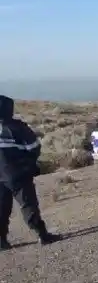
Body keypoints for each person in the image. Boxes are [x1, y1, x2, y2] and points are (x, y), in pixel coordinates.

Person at [0, 95, 62, 250]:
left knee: (1, 208)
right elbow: (34, 147)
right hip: (18, 174)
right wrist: (29, 164)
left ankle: (1, 241)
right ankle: (42, 235)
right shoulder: (17, 127)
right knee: (28, 205)